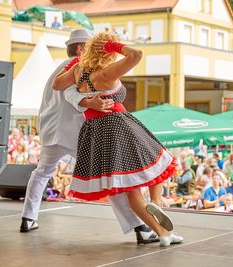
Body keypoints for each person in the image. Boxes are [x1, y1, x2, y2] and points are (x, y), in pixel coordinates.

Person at [20, 30, 159, 246]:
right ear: (80, 49)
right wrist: (88, 102)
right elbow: (69, 94)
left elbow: (60, 88)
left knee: (41, 173)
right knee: (107, 175)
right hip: (76, 132)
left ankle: (28, 219)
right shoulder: (82, 65)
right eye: (93, 46)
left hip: (50, 131)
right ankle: (139, 228)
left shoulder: (56, 71)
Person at [52, 32, 182, 246]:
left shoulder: (78, 71)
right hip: (118, 125)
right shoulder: (106, 73)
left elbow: (57, 85)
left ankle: (163, 233)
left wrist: (80, 75)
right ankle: (157, 203)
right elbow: (136, 54)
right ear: (106, 50)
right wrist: (116, 46)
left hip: (95, 131)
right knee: (158, 159)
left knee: (132, 187)